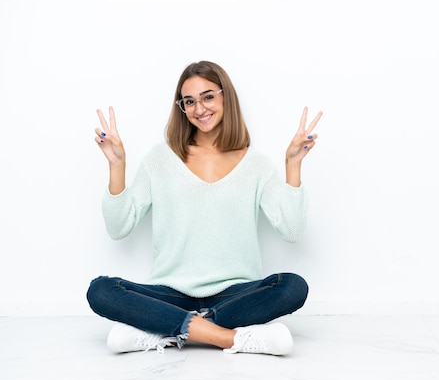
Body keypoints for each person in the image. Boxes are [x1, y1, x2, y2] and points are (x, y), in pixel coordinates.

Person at [86, 60, 322, 356]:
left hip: (235, 294)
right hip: (169, 293)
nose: (199, 109)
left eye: (208, 96)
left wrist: (293, 165)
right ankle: (229, 338)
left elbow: (293, 229)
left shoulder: (256, 165)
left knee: (292, 287)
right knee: (101, 291)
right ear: (181, 108)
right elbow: (119, 228)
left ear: (226, 97)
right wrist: (117, 165)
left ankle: (165, 330)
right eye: (189, 101)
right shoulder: (160, 159)